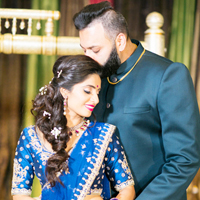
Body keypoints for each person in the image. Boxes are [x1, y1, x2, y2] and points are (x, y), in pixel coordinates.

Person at [73, 2, 200, 200]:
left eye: (95, 50)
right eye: (84, 50)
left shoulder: (168, 75)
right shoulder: (93, 80)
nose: (88, 58)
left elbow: (184, 160)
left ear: (120, 41)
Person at [11, 55, 135, 200]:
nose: (96, 99)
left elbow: (127, 189)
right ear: (64, 91)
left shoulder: (104, 134)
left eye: (98, 92)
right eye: (88, 91)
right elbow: (20, 194)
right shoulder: (31, 137)